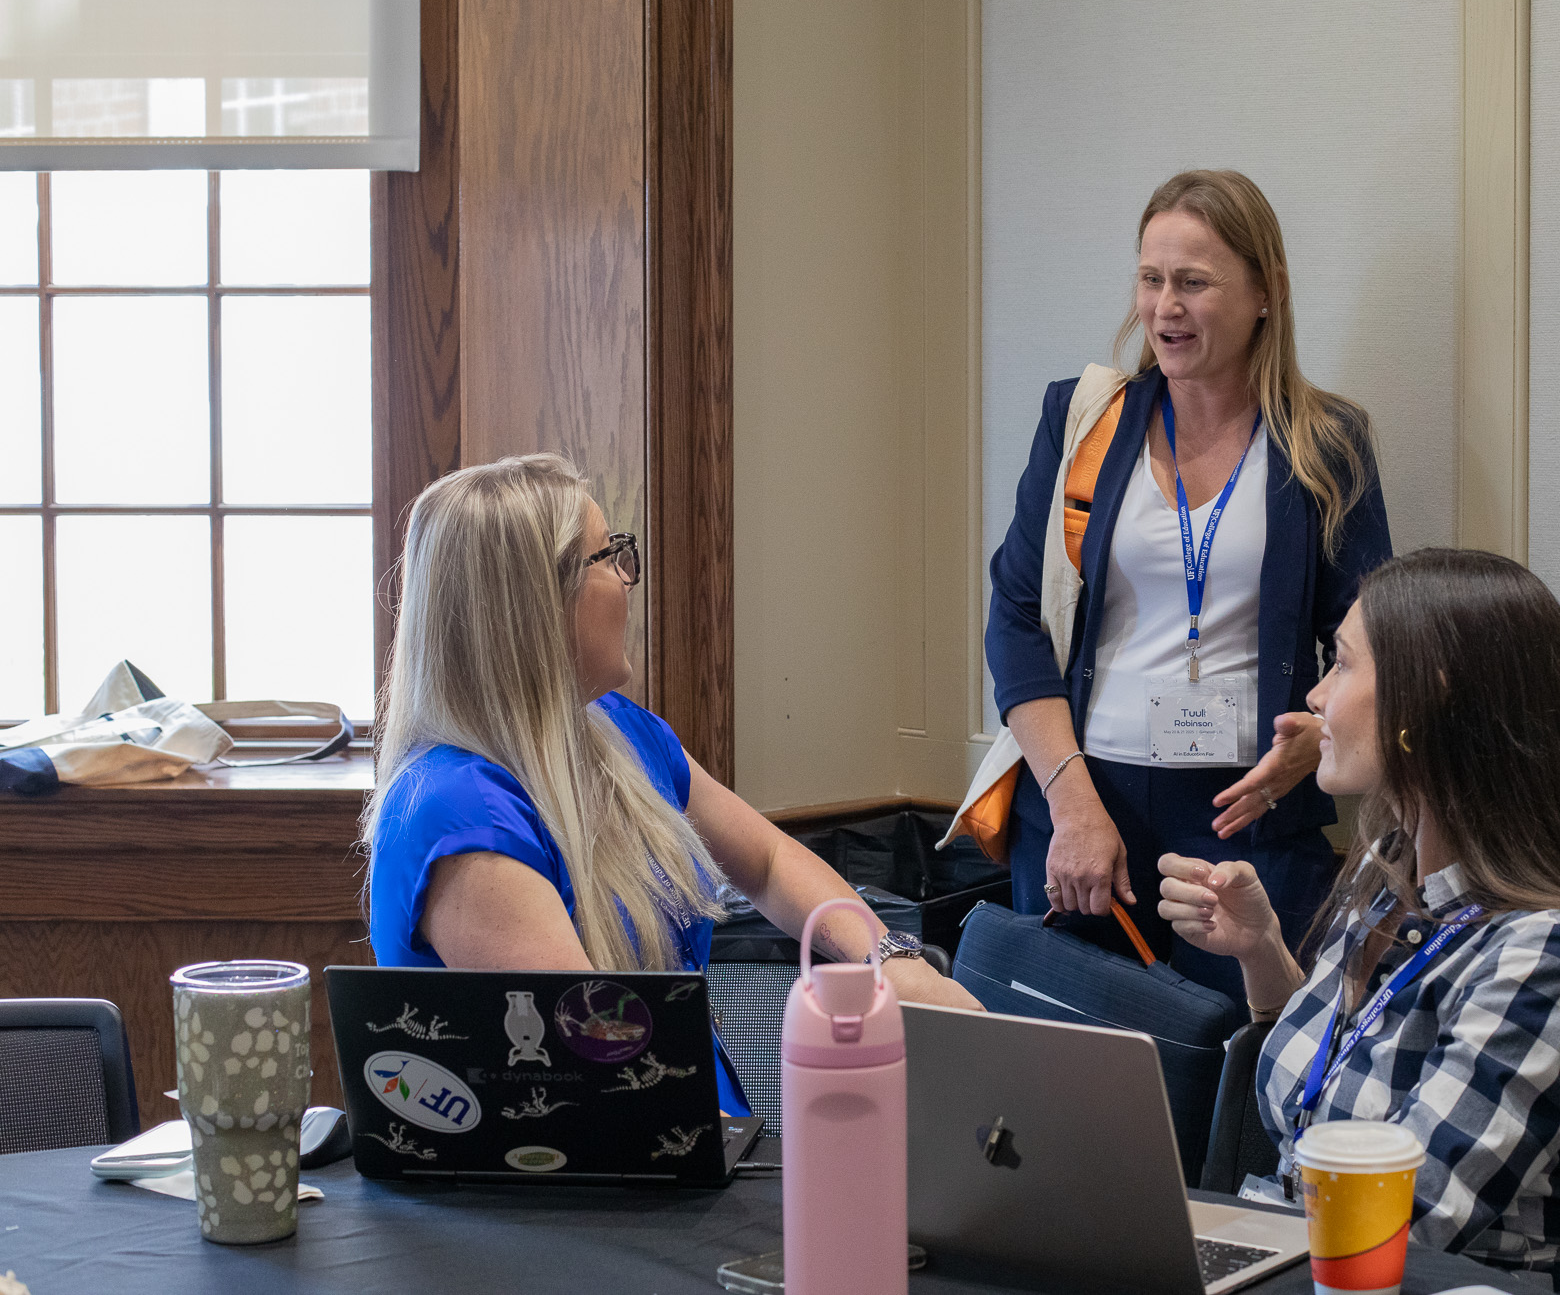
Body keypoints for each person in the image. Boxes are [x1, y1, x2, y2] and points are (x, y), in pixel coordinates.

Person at [364, 455, 979, 1116]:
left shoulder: (619, 733)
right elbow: (595, 1078)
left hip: (690, 1145)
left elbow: (768, 863)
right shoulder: (456, 811)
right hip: (613, 1180)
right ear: (538, 602)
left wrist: (890, 958)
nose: (629, 577)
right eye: (609, 555)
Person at [1157, 549, 1560, 1294]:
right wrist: (1261, 950)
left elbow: (1398, 1216)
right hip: (1293, 1263)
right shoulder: (1394, 874)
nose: (1316, 694)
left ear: (1427, 700)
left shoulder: (1552, 954)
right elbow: (1341, 1079)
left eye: (1341, 665)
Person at [985, 168, 1394, 999]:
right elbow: (1016, 619)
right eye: (1151, 278)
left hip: (1248, 815)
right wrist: (1072, 806)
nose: (1165, 306)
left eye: (1194, 283)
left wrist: (1318, 736)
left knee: (1237, 1081)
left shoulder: (1326, 442)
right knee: (1074, 1089)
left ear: (1265, 293)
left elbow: (1377, 638)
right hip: (1080, 802)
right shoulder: (1085, 421)